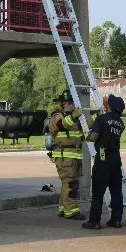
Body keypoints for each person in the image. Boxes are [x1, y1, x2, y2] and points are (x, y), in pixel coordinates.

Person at [82, 94, 125, 230]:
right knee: (116, 191)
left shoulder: (102, 119)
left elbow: (94, 136)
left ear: (111, 106)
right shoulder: (121, 123)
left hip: (103, 158)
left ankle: (94, 221)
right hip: (116, 159)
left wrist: (87, 136)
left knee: (98, 192)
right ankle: (116, 220)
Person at [47, 91, 91, 220]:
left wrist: (97, 118)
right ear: (63, 104)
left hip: (73, 156)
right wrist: (73, 116)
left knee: (67, 183)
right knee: (70, 183)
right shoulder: (57, 117)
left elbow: (82, 130)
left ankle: (63, 208)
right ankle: (71, 211)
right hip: (64, 157)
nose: (72, 106)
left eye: (73, 103)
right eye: (70, 103)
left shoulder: (72, 118)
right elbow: (63, 125)